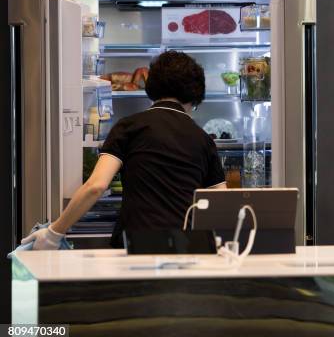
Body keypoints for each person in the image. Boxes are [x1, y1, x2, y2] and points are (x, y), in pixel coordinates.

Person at [22, 51, 227, 250]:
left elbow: (96, 186)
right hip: (187, 246)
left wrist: (54, 232)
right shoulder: (203, 140)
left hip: (135, 243)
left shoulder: (129, 127)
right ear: (195, 96)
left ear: (151, 87)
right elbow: (221, 203)